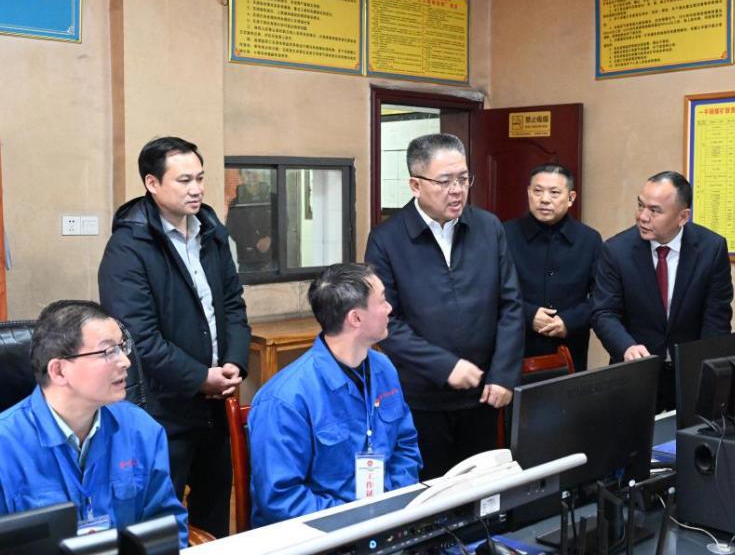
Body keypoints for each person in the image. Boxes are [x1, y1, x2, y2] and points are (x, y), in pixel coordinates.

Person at [98, 136, 251, 538]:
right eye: (184, 180)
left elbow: (233, 304)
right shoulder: (129, 246)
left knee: (214, 516)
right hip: (161, 410)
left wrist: (234, 363)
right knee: (159, 524)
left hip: (216, 405)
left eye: (200, 178)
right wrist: (201, 377)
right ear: (152, 183)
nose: (196, 188)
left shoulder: (211, 232)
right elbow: (138, 338)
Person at [365, 133, 523, 479]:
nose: (457, 190)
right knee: (431, 494)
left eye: (463, 179)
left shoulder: (488, 227)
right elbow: (386, 322)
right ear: (415, 184)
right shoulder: (387, 239)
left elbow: (511, 304)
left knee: (481, 492)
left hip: (485, 393)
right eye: (445, 181)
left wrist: (503, 375)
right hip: (422, 399)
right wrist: (445, 366)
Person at [0, 301, 188, 546]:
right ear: (59, 371)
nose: (126, 362)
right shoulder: (5, 446)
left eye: (122, 347)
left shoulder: (142, 430)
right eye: (108, 351)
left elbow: (167, 529)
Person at [248, 263, 422, 525]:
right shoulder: (286, 399)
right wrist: (356, 518)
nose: (390, 308)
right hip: (321, 533)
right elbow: (281, 498)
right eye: (382, 300)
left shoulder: (384, 368)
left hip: (385, 523)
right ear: (356, 318)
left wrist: (392, 503)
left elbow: (406, 445)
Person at [591, 171, 733, 412]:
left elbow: (717, 318)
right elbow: (603, 312)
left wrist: (706, 372)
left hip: (691, 375)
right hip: (635, 374)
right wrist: (626, 347)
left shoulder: (711, 249)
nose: (642, 217)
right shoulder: (616, 251)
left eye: (655, 211)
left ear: (683, 216)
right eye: (640, 205)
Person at [504, 164, 602, 372]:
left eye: (555, 192)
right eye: (538, 191)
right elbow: (489, 291)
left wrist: (569, 321)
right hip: (514, 350)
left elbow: (602, 297)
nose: (545, 199)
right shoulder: (505, 234)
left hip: (569, 351)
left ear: (571, 198)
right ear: (528, 193)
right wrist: (528, 315)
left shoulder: (589, 240)